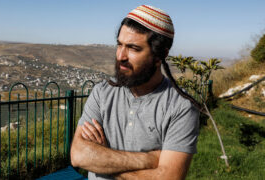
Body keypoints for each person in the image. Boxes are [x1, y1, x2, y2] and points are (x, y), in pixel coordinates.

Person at [70, 5, 200, 180]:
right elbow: (78, 155)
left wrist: (103, 158)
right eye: (119, 44)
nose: (121, 56)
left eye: (133, 48)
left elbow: (169, 177)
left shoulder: (181, 107)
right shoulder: (102, 93)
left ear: (159, 55)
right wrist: (149, 160)